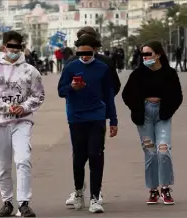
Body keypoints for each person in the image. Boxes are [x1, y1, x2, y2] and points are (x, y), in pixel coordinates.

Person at [0, 30, 45, 217]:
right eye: (10, 46)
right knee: (2, 163)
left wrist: (23, 107)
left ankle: (24, 202)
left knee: (23, 159)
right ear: (4, 46)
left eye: (18, 47)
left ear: (22, 48)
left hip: (21, 121)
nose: (14, 50)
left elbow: (38, 95)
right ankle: (7, 201)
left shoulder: (30, 70)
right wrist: (7, 108)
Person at [58, 34, 118, 213]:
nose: (84, 56)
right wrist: (72, 88)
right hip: (76, 118)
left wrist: (113, 120)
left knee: (96, 155)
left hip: (97, 116)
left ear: (95, 50)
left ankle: (94, 197)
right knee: (79, 157)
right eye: (81, 52)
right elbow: (61, 91)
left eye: (88, 52)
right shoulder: (70, 67)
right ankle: (78, 192)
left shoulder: (102, 68)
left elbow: (109, 95)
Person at [122, 41, 182, 205]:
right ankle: (153, 189)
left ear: (158, 54)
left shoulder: (169, 73)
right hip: (144, 116)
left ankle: (165, 188)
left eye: (148, 54)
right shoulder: (137, 74)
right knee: (150, 153)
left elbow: (177, 96)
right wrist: (138, 107)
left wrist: (167, 110)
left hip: (163, 115)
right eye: (143, 54)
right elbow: (126, 95)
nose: (145, 57)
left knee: (163, 150)